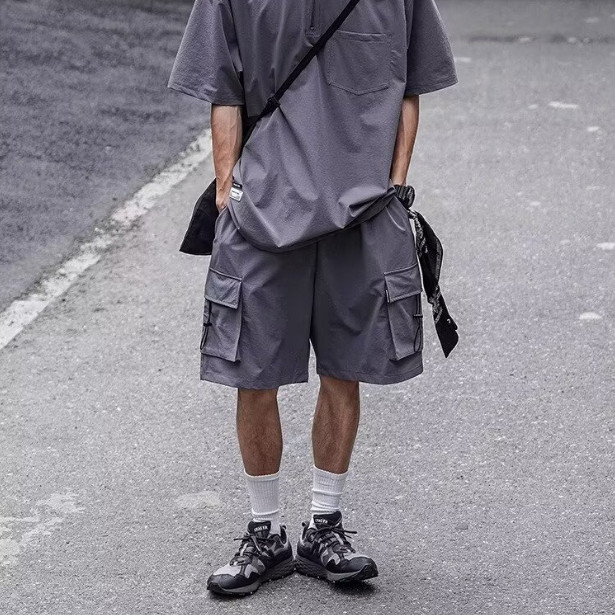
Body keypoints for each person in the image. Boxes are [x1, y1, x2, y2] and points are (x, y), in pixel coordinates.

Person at [167, 0, 457, 596]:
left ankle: (325, 525)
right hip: (261, 213)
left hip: (365, 211)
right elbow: (223, 90)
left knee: (345, 370)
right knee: (253, 372)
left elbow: (409, 85)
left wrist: (395, 185)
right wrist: (227, 193)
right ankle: (264, 533)